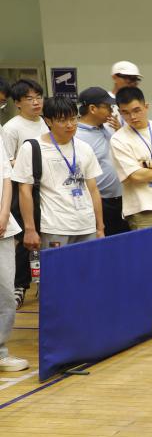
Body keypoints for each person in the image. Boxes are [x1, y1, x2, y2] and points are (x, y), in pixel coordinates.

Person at [14, 97, 104, 250]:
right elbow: (24, 190)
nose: (70, 125)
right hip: (55, 226)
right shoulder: (31, 148)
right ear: (48, 121)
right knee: (57, 265)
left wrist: (100, 227)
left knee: (88, 265)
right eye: (62, 120)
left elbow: (93, 189)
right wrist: (30, 229)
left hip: (87, 225)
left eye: (73, 119)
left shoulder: (84, 148)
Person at [1, 79, 46, 308]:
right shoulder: (12, 128)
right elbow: (6, 162)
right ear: (18, 103)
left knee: (43, 236)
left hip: (43, 188)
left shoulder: (45, 122)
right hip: (21, 189)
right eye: (29, 98)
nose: (36, 102)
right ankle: (20, 286)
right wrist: (28, 163)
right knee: (23, 239)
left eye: (38, 97)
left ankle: (44, 283)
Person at [110, 87, 152, 230]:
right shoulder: (118, 139)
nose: (132, 117)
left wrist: (148, 164)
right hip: (142, 208)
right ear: (120, 112)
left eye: (136, 110)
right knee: (151, 245)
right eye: (126, 113)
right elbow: (136, 176)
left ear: (146, 106)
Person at [75, 87, 130, 236]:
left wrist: (121, 132)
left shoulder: (110, 127)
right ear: (93, 109)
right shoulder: (76, 135)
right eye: (107, 107)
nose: (112, 112)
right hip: (100, 202)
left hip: (123, 198)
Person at [0, 137, 25, 372]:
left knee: (6, 292)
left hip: (3, 227)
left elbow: (6, 176)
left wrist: (4, 213)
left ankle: (0, 352)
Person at [107, 61, 142, 129]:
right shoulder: (104, 100)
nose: (132, 82)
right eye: (129, 78)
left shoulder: (138, 101)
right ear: (114, 77)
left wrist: (121, 131)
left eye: (135, 79)